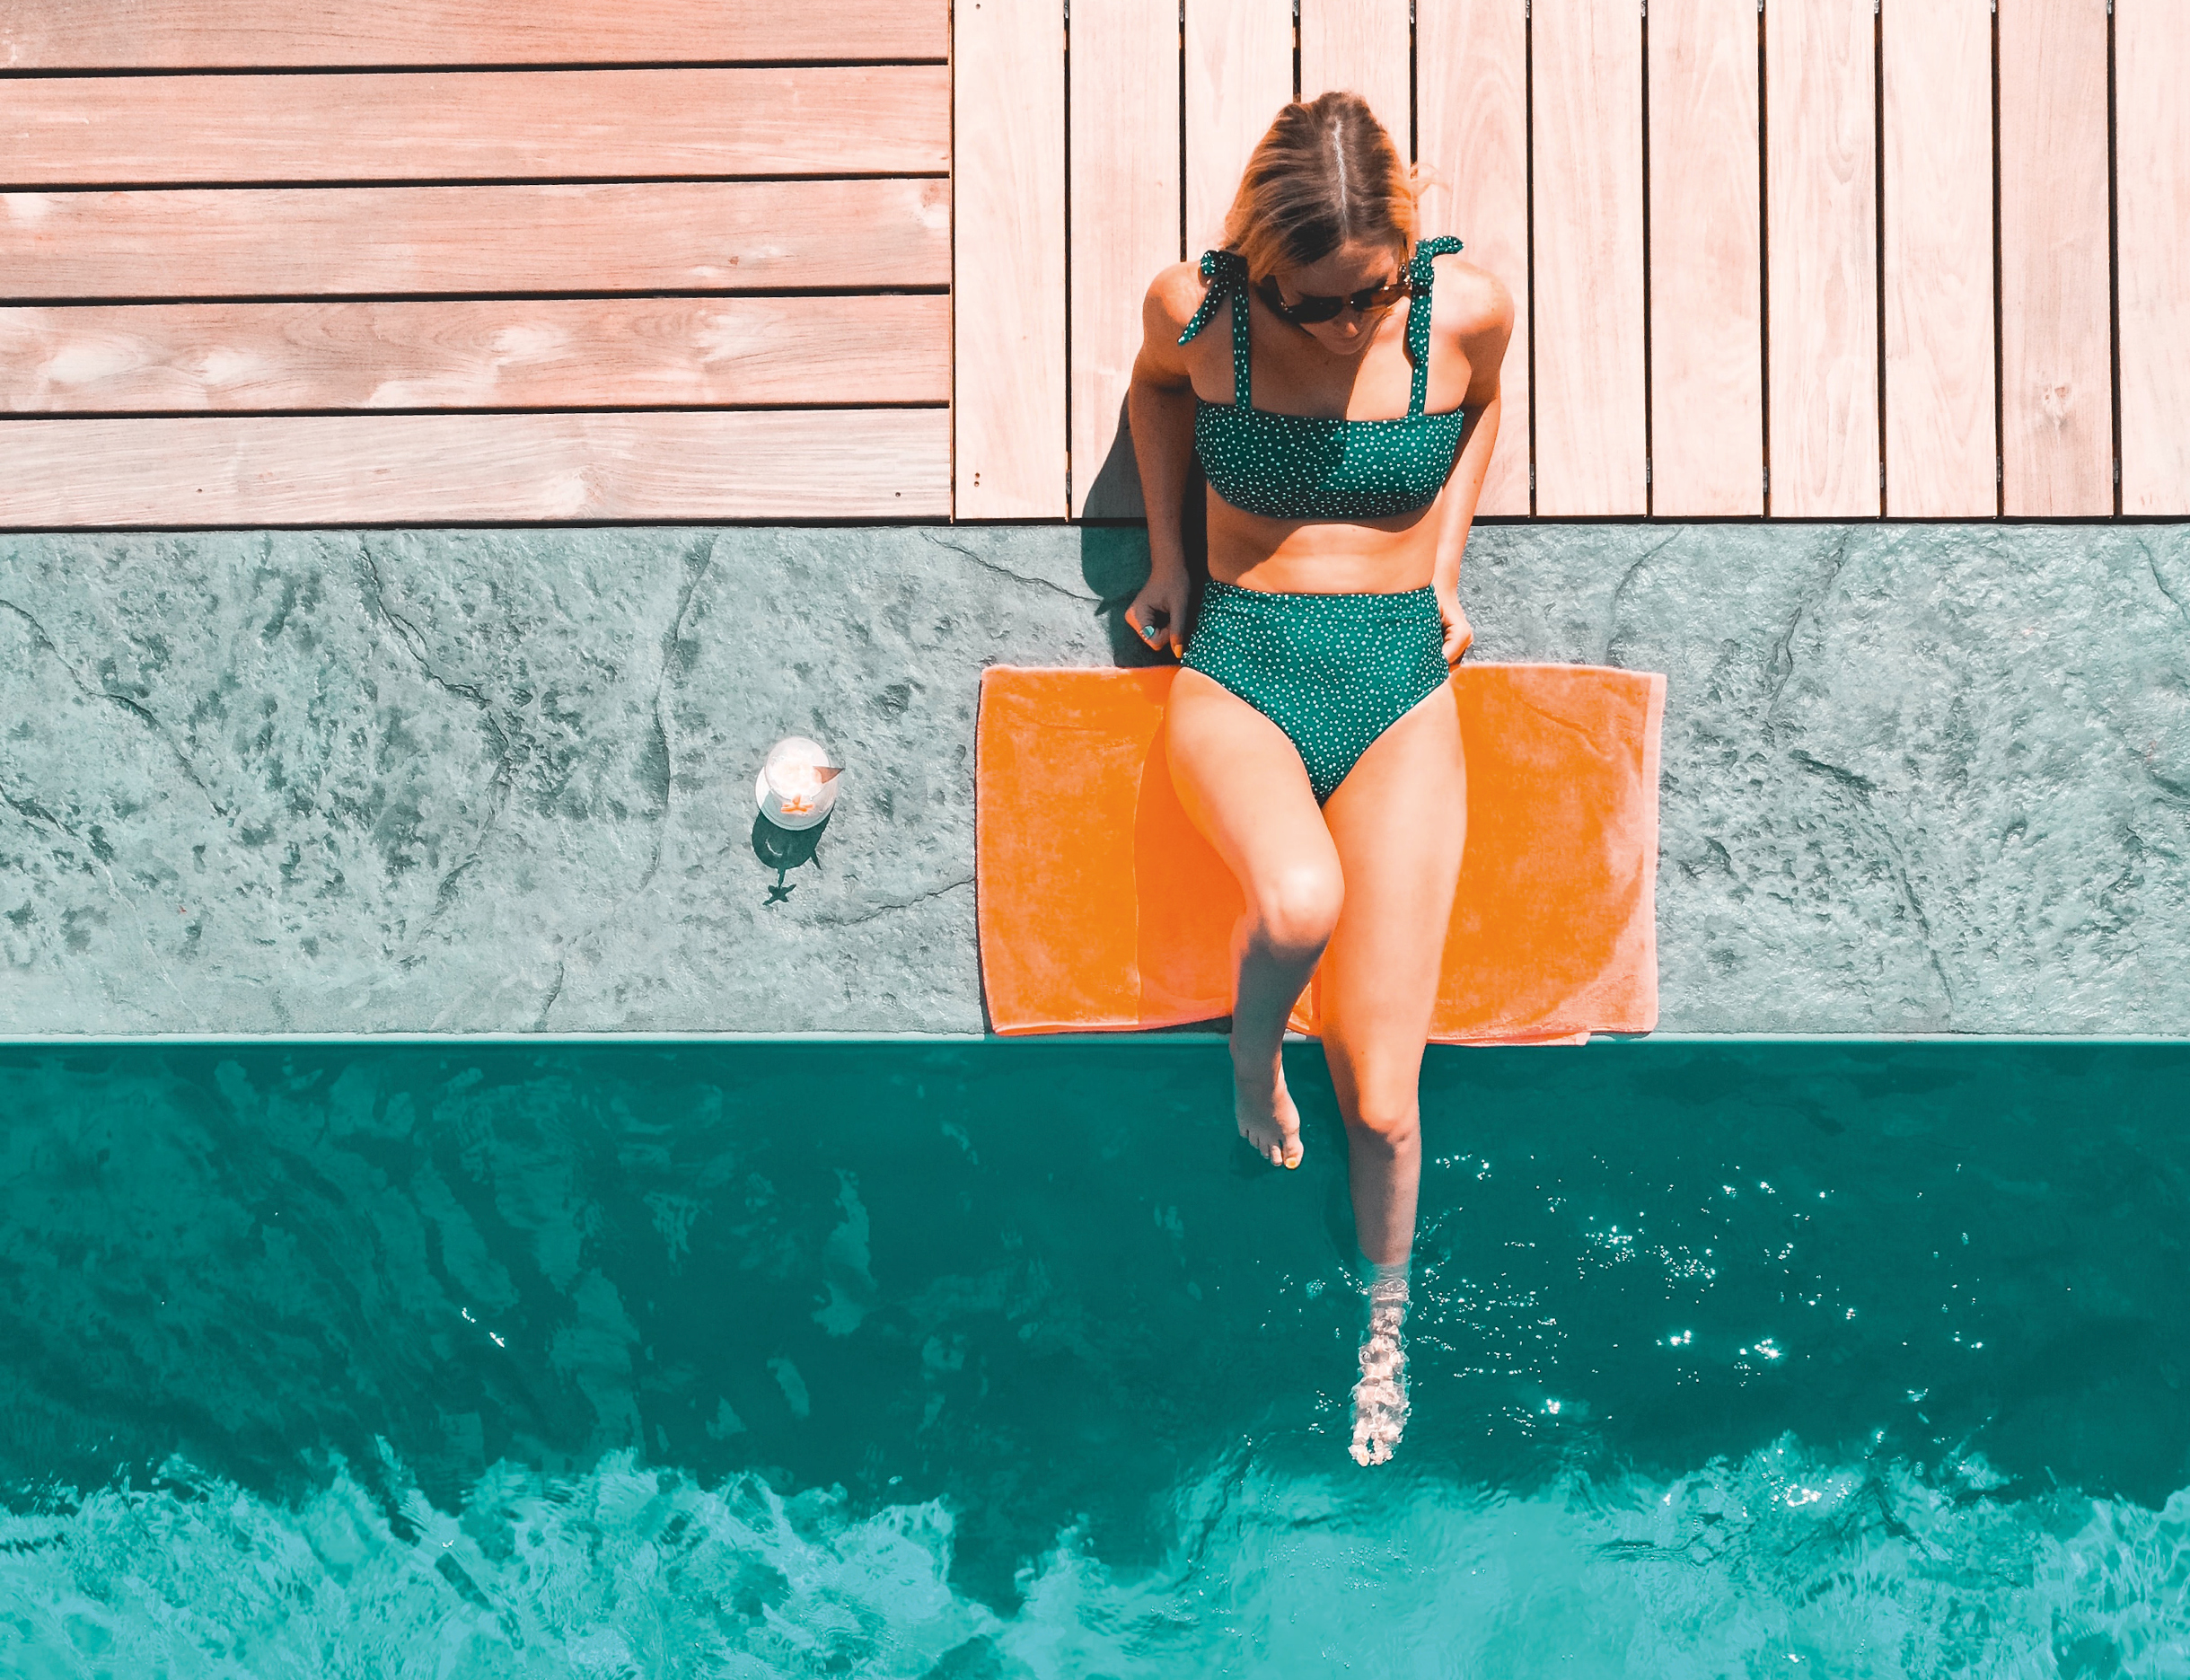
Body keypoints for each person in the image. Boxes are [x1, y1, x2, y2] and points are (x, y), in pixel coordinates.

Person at [1123, 91, 1511, 1465]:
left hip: (1403, 681)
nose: (1349, 328)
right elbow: (1153, 398)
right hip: (1246, 663)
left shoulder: (1464, 310)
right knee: (1296, 907)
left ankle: (1384, 1326)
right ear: (1259, 264)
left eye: (1371, 297)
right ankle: (1247, 1058)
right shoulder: (1199, 313)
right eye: (1315, 304)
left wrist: (1450, 568)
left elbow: (1479, 419)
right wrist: (1169, 559)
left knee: (1388, 1101)